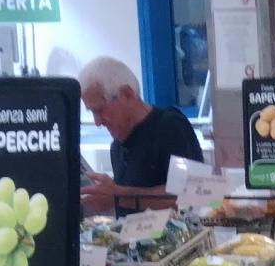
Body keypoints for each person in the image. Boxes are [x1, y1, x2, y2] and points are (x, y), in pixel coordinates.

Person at [78, 56, 202, 213]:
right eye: (92, 112)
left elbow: (194, 194)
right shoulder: (117, 148)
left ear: (127, 95)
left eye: (99, 110)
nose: (97, 122)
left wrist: (120, 196)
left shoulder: (170, 126)